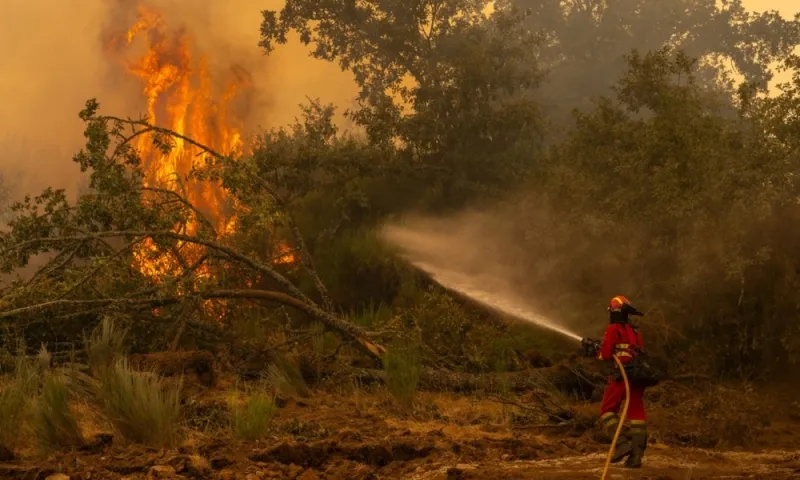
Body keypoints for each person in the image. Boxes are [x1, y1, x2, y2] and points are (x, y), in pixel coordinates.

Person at [595, 295, 648, 469]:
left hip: (621, 374)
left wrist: (596, 351)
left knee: (607, 411)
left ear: (614, 311)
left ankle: (622, 444)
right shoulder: (635, 330)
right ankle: (636, 457)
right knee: (637, 415)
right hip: (638, 375)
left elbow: (607, 355)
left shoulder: (612, 329)